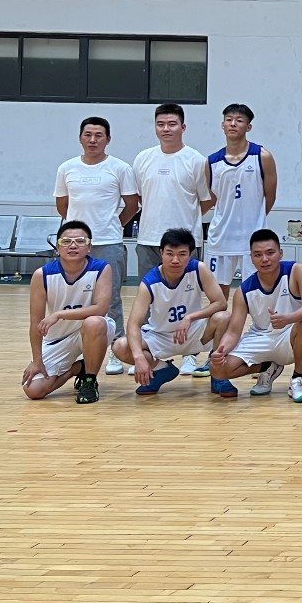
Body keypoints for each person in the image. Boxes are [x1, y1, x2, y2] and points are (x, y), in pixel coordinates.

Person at [132, 104, 214, 374]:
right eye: (161, 124)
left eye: (172, 124)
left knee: (189, 299)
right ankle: (151, 355)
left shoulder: (196, 160)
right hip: (149, 239)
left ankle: (190, 353)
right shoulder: (143, 159)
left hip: (185, 244)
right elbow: (140, 197)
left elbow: (206, 200)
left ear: (183, 127)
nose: (166, 129)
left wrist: (185, 225)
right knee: (148, 299)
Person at [206, 229, 302, 402]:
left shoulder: (297, 271)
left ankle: (298, 379)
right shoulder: (244, 290)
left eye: (270, 253)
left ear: (280, 253)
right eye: (258, 255)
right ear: (251, 258)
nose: (264, 259)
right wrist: (220, 351)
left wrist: (288, 319)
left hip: (290, 336)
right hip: (260, 338)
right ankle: (267, 367)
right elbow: (233, 332)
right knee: (217, 370)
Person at [53, 116, 138, 349]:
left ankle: (116, 347)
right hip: (75, 246)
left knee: (110, 298)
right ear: (80, 138)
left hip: (108, 242)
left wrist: (113, 225)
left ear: (108, 139)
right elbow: (62, 205)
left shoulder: (120, 168)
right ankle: (73, 346)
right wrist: (76, 233)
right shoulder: (66, 168)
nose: (93, 140)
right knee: (73, 296)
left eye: (98, 135)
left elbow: (132, 205)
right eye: (88, 135)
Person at [111, 228, 228, 396]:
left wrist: (190, 317)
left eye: (182, 254)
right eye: (170, 254)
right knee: (120, 346)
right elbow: (133, 324)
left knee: (223, 317)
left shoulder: (199, 269)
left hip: (193, 332)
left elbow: (221, 302)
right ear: (161, 253)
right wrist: (139, 358)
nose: (175, 260)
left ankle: (218, 373)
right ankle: (162, 369)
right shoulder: (150, 282)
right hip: (160, 336)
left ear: (190, 254)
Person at [22, 219, 113, 404]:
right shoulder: (42, 275)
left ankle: (90, 381)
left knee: (94, 322)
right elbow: (35, 322)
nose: (73, 246)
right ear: (58, 246)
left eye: (80, 241)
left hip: (93, 331)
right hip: (58, 338)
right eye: (66, 241)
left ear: (89, 247)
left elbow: (100, 309)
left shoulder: (101, 268)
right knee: (33, 390)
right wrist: (36, 360)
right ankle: (77, 369)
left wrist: (59, 314)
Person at [204, 103, 277, 293]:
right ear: (222, 125)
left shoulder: (262, 156)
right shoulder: (212, 161)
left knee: (256, 293)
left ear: (248, 126)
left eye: (239, 120)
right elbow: (213, 198)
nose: (233, 124)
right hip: (221, 236)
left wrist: (255, 218)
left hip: (252, 237)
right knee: (218, 295)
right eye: (228, 120)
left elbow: (270, 196)